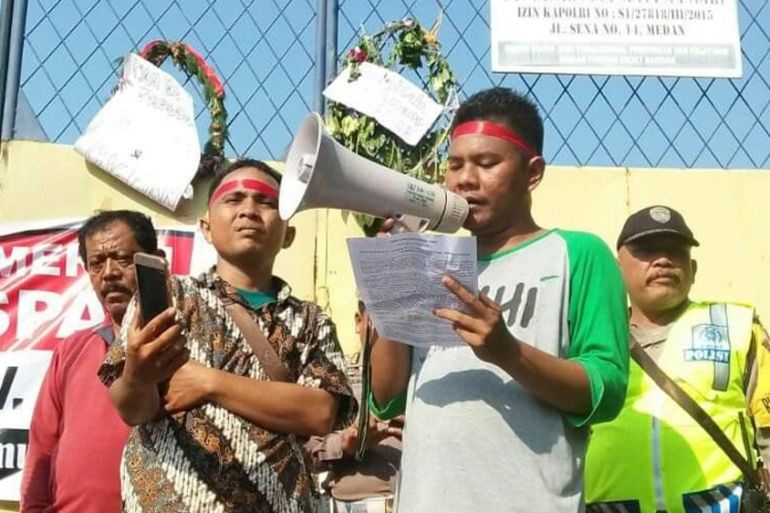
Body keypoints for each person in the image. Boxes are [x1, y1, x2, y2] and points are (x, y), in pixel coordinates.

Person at [367, 87, 630, 512]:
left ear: (533, 173)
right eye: (455, 165)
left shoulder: (579, 254)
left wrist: (509, 353)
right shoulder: (432, 262)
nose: (465, 179)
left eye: (487, 163)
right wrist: (394, 284)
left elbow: (607, 392)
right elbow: (387, 396)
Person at [98, 159, 356, 513]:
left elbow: (320, 411)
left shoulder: (310, 320)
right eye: (233, 199)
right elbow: (133, 409)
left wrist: (208, 383)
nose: (248, 210)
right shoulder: (170, 297)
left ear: (289, 234)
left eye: (266, 201)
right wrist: (137, 376)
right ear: (206, 227)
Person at [585, 205, 770, 513]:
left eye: (676, 251)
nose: (663, 260)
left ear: (693, 269)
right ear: (617, 269)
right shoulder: (590, 337)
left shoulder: (736, 327)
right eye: (646, 250)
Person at [20, 210, 161, 513]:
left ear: (156, 262)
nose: (108, 273)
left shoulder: (184, 344)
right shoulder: (71, 350)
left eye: (122, 259)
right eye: (96, 263)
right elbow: (42, 445)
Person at [305, 300, 403, 513]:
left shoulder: (426, 379)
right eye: (380, 319)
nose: (389, 333)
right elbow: (302, 452)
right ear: (359, 321)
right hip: (352, 504)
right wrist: (345, 444)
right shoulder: (330, 383)